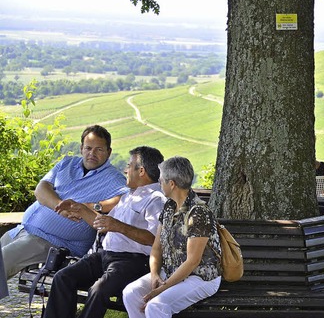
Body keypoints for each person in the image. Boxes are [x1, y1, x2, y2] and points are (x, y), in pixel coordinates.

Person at [42, 146, 166, 318]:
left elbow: (154, 239)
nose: (125, 170)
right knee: (63, 277)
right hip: (104, 256)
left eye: (129, 166)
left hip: (133, 262)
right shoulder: (129, 195)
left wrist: (119, 226)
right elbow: (101, 223)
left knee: (98, 290)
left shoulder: (156, 199)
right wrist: (79, 208)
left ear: (142, 171)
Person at [1, 125, 129, 278]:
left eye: (99, 150)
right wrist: (59, 207)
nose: (92, 154)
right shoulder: (67, 163)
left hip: (51, 241)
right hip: (23, 230)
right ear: (81, 148)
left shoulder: (113, 178)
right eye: (88, 148)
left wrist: (91, 206)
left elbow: (125, 199)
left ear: (109, 152)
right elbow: (41, 189)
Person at [122, 156, 222, 318]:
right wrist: (155, 275)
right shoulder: (169, 206)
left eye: (161, 180)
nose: (159, 182)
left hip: (200, 277)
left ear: (172, 184)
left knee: (156, 306)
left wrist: (161, 289)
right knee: (131, 293)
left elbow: (193, 261)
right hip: (171, 271)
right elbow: (156, 247)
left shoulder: (198, 213)